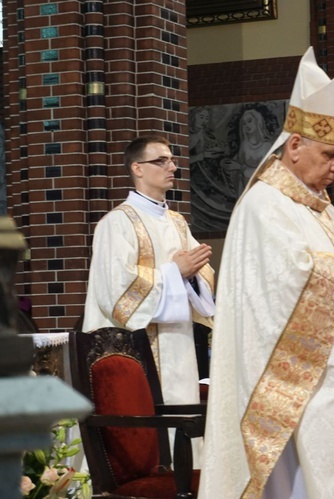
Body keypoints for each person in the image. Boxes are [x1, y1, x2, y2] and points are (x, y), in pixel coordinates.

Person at [199, 47, 334, 499]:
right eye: (330, 154)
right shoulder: (264, 205)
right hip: (305, 388)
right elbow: (281, 290)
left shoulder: (323, 210)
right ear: (294, 146)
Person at [82, 135, 216, 460]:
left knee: (181, 430)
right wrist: (175, 273)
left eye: (172, 160)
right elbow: (114, 288)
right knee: (141, 444)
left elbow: (204, 277)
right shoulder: (116, 223)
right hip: (134, 347)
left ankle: (184, 478)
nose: (172, 167)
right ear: (137, 168)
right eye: (161, 161)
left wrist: (190, 275)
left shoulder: (178, 222)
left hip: (178, 345)